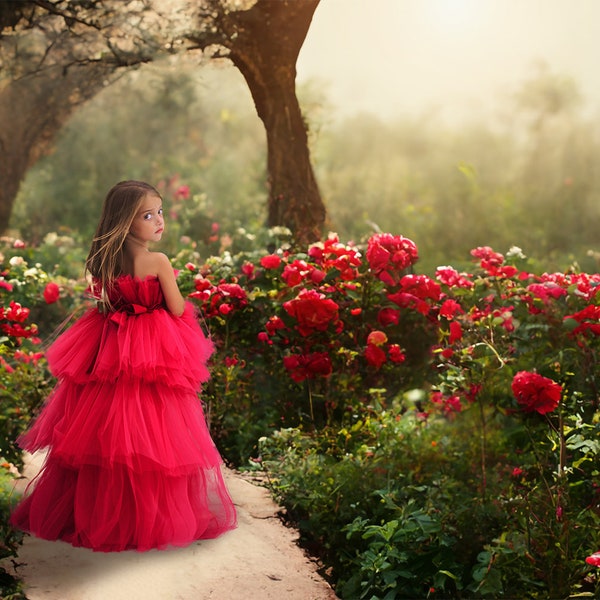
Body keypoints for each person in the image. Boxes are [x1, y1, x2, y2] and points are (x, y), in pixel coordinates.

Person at [10, 180, 237, 552]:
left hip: (109, 344)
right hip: (152, 345)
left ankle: (96, 514)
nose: (159, 221)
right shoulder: (158, 261)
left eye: (160, 212)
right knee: (155, 435)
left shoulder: (104, 259)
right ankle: (148, 519)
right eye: (148, 215)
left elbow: (104, 300)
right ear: (126, 222)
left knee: (103, 432)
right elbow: (177, 308)